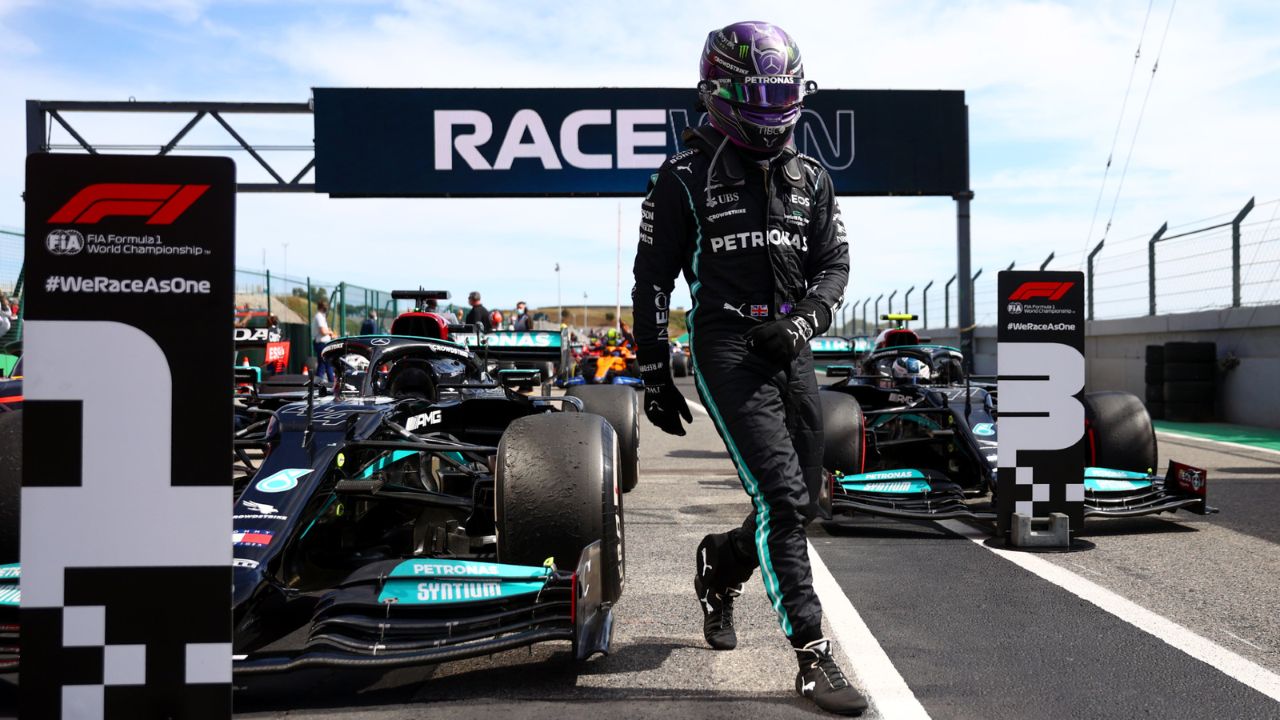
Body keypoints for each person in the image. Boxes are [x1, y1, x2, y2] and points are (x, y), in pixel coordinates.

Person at [631, 22, 862, 715]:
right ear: (718, 93)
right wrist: (653, 370)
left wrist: (802, 324)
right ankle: (813, 658)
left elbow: (834, 266)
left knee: (803, 502)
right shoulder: (680, 177)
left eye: (780, 94)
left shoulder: (812, 177)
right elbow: (652, 282)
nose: (770, 109)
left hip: (791, 345)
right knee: (783, 502)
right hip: (727, 346)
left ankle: (720, 564)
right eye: (756, 95)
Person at [312, 300, 335, 383]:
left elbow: (324, 330)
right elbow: (323, 331)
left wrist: (329, 332)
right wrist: (330, 332)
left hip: (323, 343)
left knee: (322, 365)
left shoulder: (321, 316)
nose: (327, 309)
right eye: (326, 307)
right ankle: (331, 382)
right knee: (327, 364)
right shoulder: (319, 316)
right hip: (321, 344)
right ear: (322, 307)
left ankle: (318, 383)